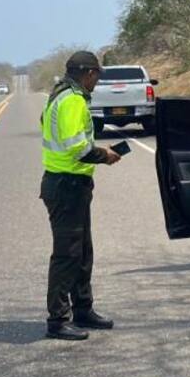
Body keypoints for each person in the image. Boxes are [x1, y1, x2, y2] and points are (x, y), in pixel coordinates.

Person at [40, 51, 122, 341]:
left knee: (82, 252)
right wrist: (106, 155)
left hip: (70, 184)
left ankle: (83, 309)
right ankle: (57, 320)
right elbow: (78, 148)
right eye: (97, 75)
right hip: (66, 186)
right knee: (67, 255)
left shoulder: (60, 94)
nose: (97, 81)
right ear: (89, 74)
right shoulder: (73, 100)